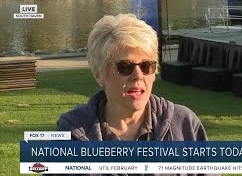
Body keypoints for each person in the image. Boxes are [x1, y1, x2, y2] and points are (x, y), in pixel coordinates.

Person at [57, 14, 208, 142]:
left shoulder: (184, 125)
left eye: (146, 66)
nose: (138, 76)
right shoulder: (71, 135)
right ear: (99, 74)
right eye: (125, 66)